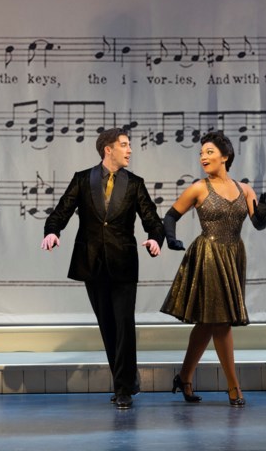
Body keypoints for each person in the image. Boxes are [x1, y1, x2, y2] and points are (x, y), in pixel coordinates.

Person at [42, 127, 168, 409]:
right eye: (124, 145)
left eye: (129, 145)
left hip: (123, 262)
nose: (130, 150)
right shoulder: (83, 179)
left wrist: (155, 238)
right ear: (107, 149)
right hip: (92, 263)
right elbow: (61, 212)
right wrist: (52, 232)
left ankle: (122, 388)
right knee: (108, 326)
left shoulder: (134, 183)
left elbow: (152, 220)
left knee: (124, 325)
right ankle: (126, 379)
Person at [159, 130, 266, 407]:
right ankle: (234, 387)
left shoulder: (244, 189)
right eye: (201, 153)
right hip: (208, 254)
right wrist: (171, 238)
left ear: (225, 156)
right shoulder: (199, 187)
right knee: (220, 321)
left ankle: (184, 377)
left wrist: (261, 216)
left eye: (209, 152)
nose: (203, 157)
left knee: (208, 322)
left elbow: (258, 225)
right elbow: (171, 215)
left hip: (233, 254)